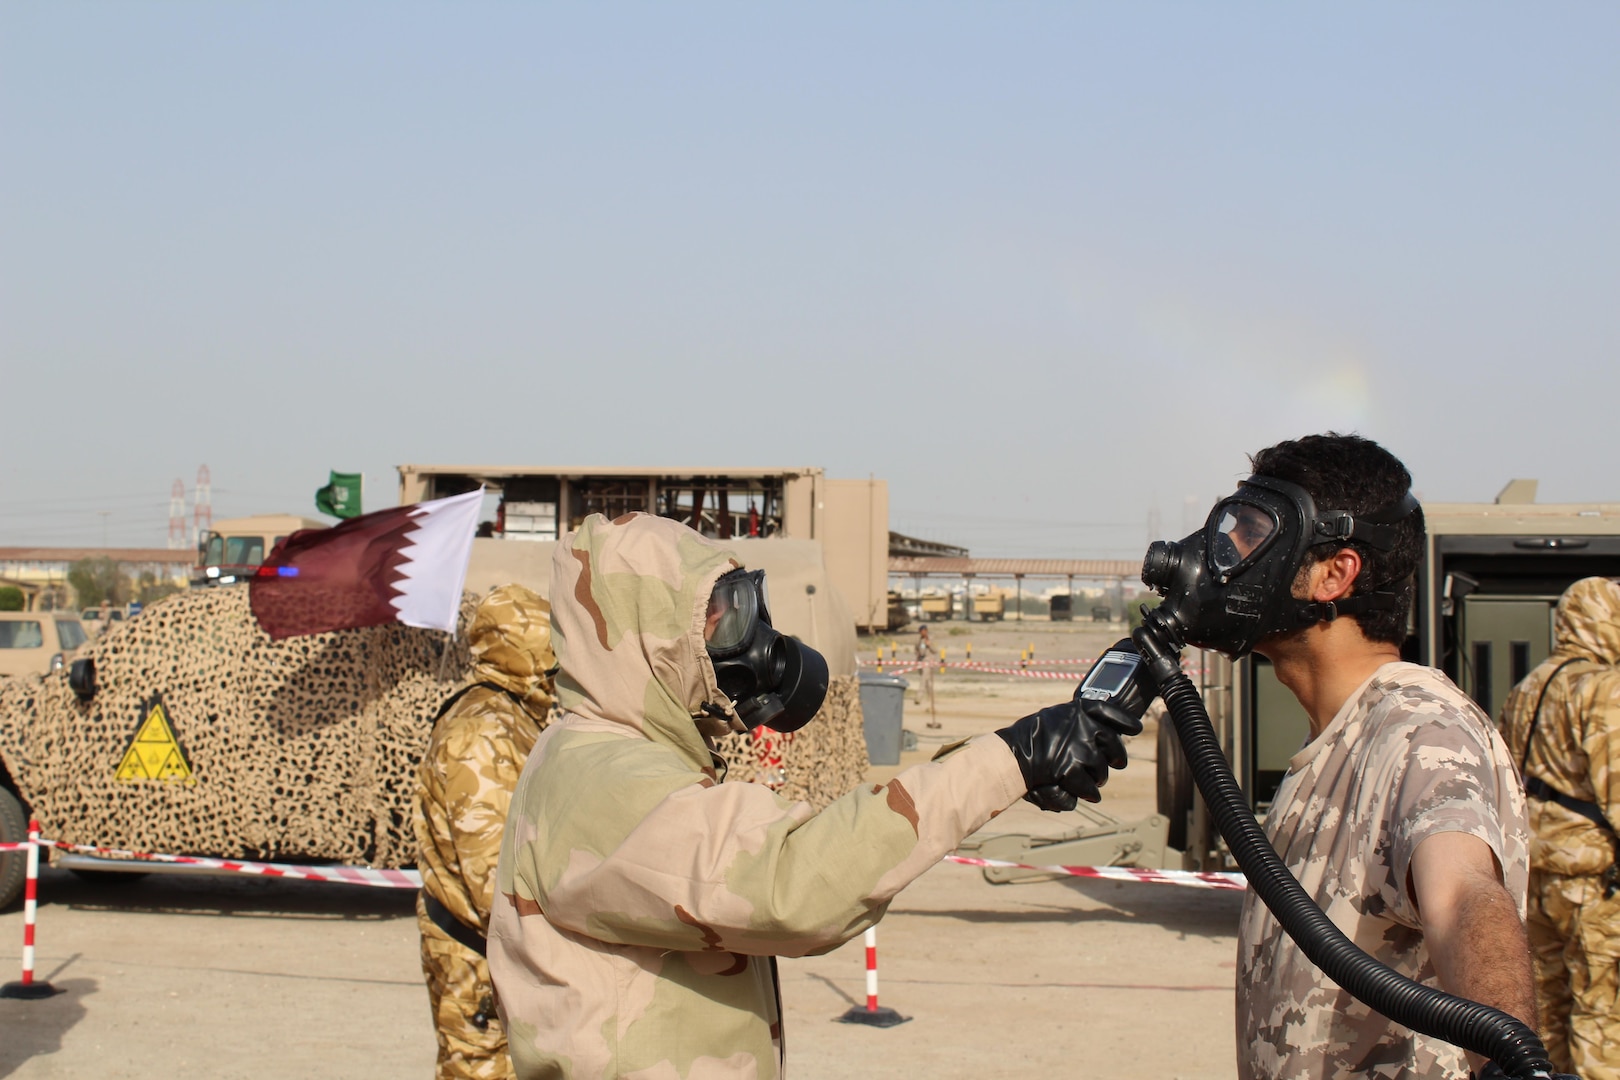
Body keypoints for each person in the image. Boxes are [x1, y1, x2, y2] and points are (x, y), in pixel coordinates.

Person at [487, 512, 1142, 1080]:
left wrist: (999, 769)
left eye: (736, 611)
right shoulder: (600, 780)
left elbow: (812, 838)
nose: (740, 639)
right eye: (713, 619)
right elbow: (792, 886)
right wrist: (1008, 760)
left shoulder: (619, 757)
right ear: (643, 635)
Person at [1166, 434, 1533, 1080]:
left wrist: (1511, 1059)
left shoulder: (1420, 730)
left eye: (1255, 535)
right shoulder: (1336, 738)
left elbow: (1463, 894)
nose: (1230, 557)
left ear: (1336, 573)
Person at [415, 584, 556, 1080]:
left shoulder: (512, 714)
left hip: (497, 954)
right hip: (479, 959)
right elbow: (494, 877)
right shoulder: (482, 731)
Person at [1498, 576, 1620, 1080]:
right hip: (1593, 880)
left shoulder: (1528, 686)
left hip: (1539, 870)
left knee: (1546, 1009)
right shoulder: (1603, 688)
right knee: (1602, 1012)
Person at [914, 622, 939, 727]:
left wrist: (930, 645)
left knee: (923, 680)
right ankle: (931, 697)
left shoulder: (930, 639)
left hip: (928, 662)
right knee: (927, 683)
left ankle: (918, 698)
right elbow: (917, 650)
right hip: (921, 661)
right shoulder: (919, 640)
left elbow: (935, 650)